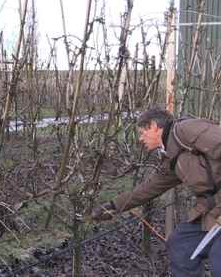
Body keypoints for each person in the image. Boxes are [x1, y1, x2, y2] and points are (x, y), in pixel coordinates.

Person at [91, 107, 221, 277]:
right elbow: (151, 187)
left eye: (141, 132)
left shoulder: (187, 130)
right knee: (181, 244)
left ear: (153, 126)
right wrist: (114, 206)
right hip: (211, 210)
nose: (140, 138)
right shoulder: (172, 156)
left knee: (218, 258)